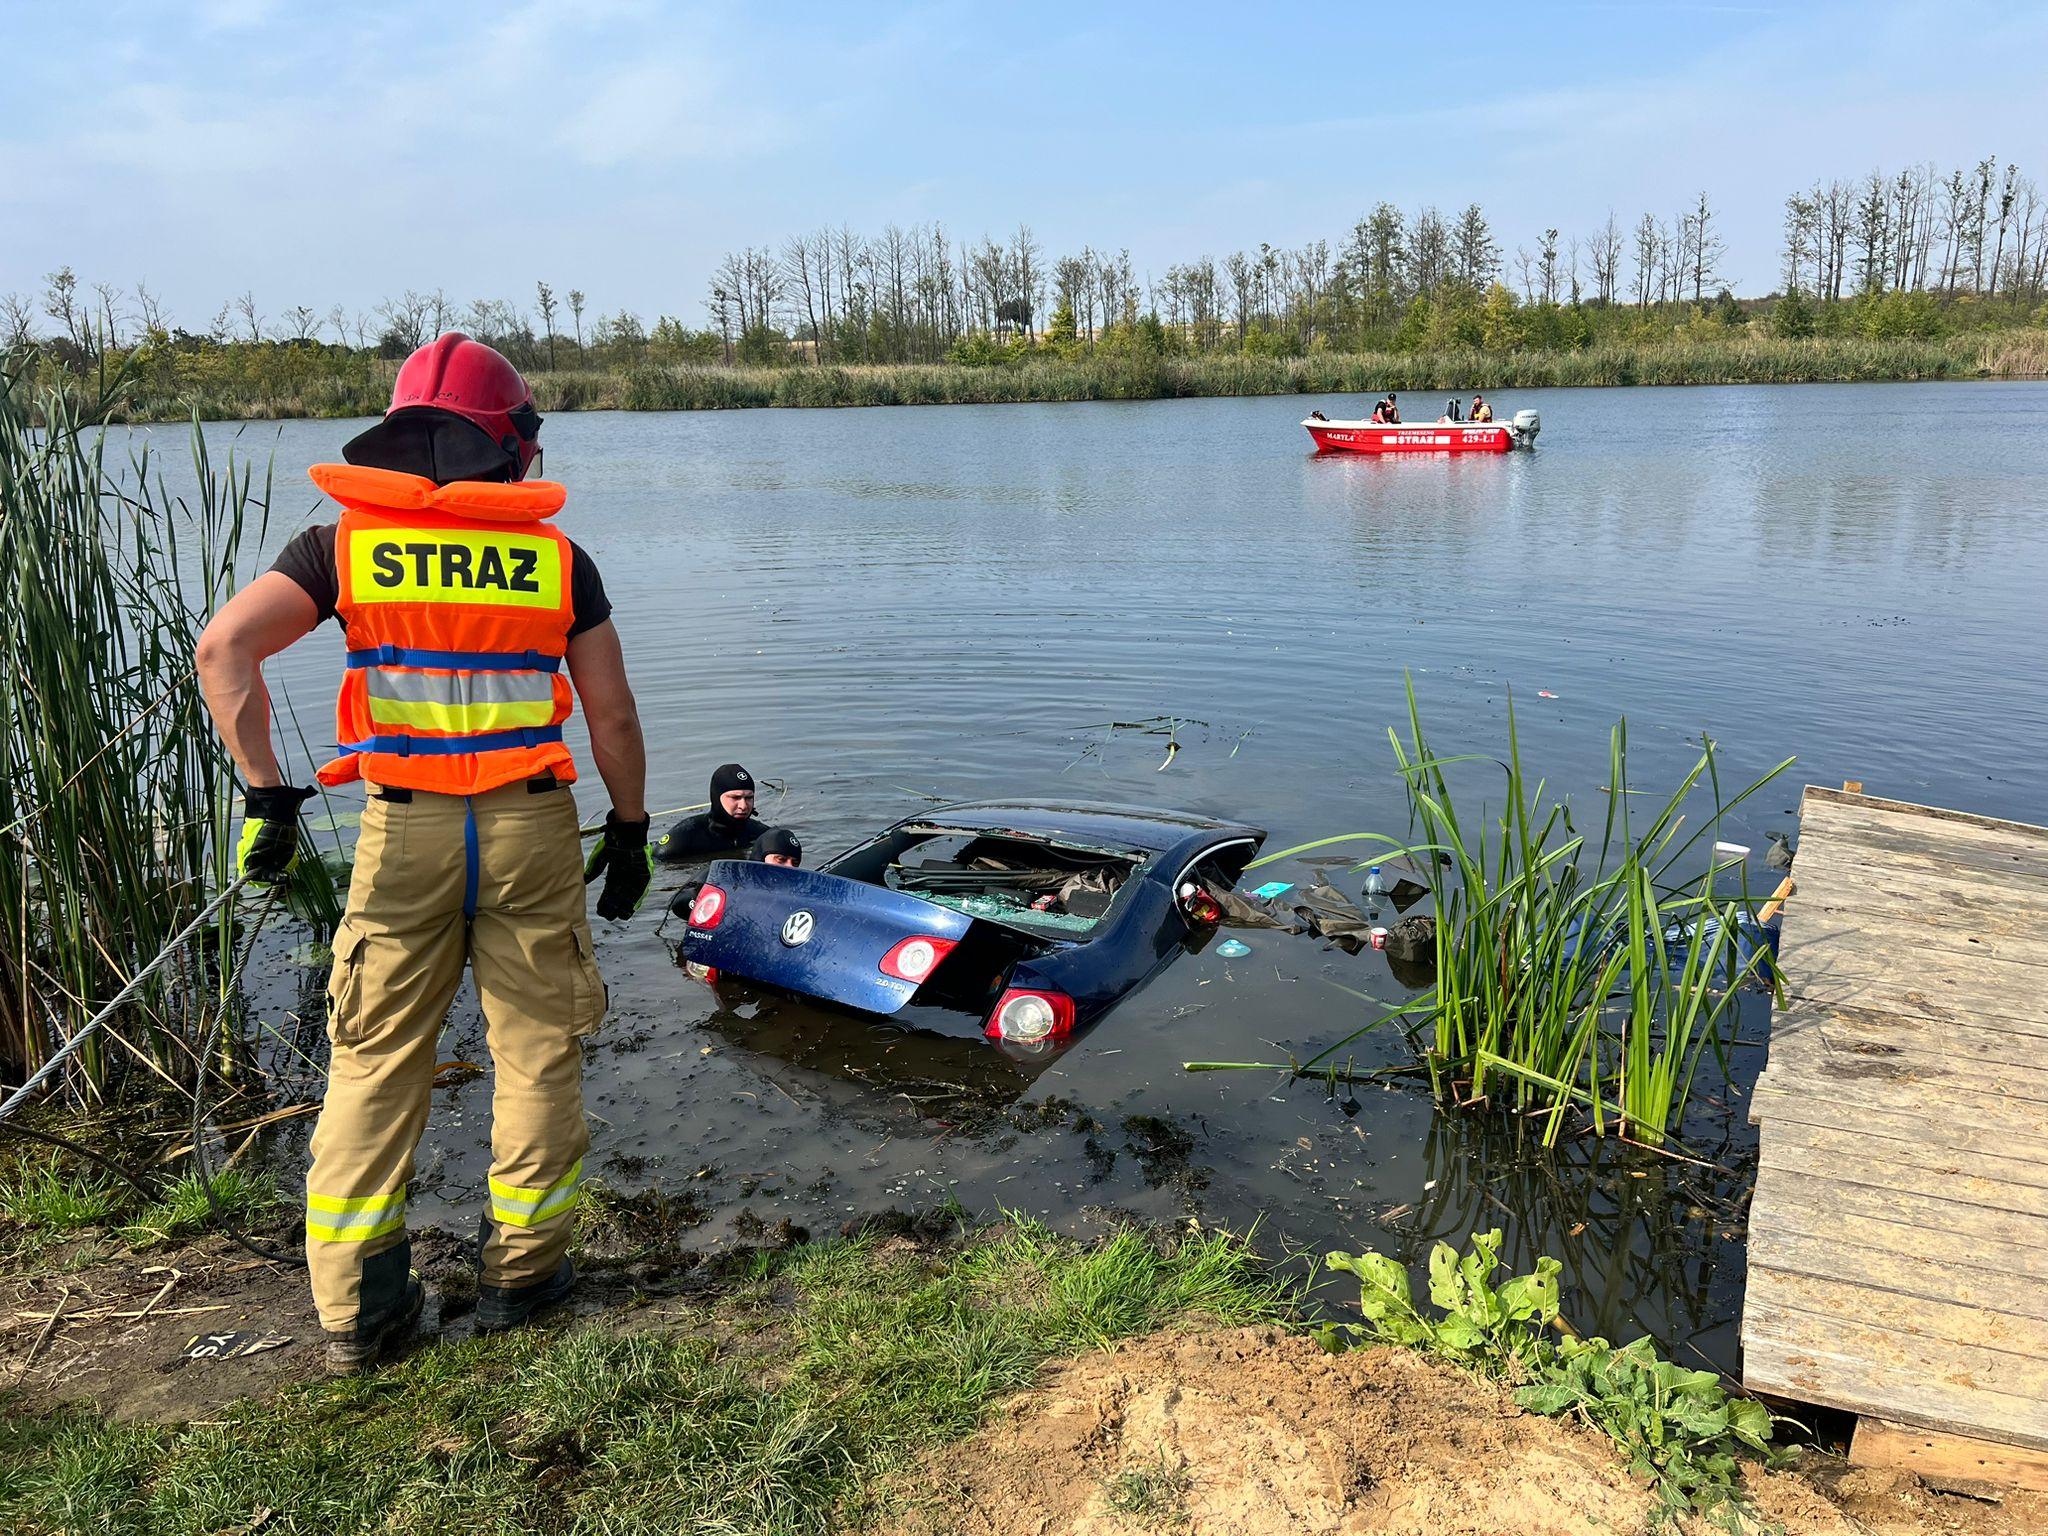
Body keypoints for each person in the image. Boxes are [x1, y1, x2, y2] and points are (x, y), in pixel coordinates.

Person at [195, 334, 653, 1374]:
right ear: (513, 448)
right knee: (535, 1048)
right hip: (529, 829)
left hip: (402, 829)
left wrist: (266, 794)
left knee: (373, 1057)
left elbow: (224, 650)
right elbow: (614, 716)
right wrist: (628, 831)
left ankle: (360, 1308)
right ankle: (523, 1275)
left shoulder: (337, 548)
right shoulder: (557, 562)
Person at [654, 763, 762, 863]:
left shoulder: (759, 833)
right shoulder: (680, 840)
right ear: (716, 798)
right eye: (735, 797)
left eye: (749, 798)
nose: (743, 806)